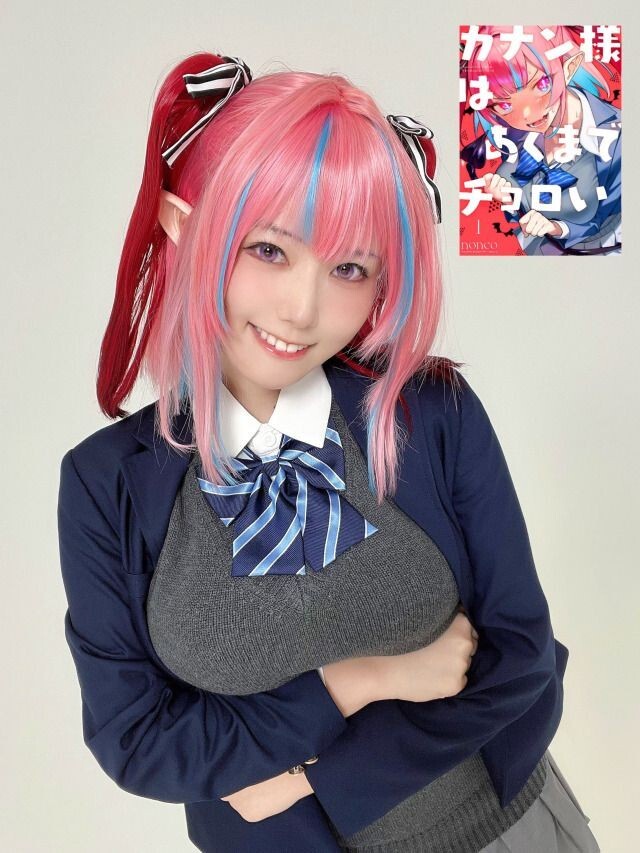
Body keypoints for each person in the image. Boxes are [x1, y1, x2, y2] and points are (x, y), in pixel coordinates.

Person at [57, 52, 600, 851]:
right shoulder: (106, 484)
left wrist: (315, 776)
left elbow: (520, 660)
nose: (302, 308)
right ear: (184, 226)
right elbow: (138, 738)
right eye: (269, 250)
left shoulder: (430, 412)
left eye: (348, 267)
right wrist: (360, 681)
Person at [460, 25, 621, 256]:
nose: (527, 114)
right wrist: (509, 198)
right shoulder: (513, 135)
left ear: (569, 68)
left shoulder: (617, 138)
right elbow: (523, 213)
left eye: (541, 85)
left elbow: (602, 220)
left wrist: (555, 227)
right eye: (503, 104)